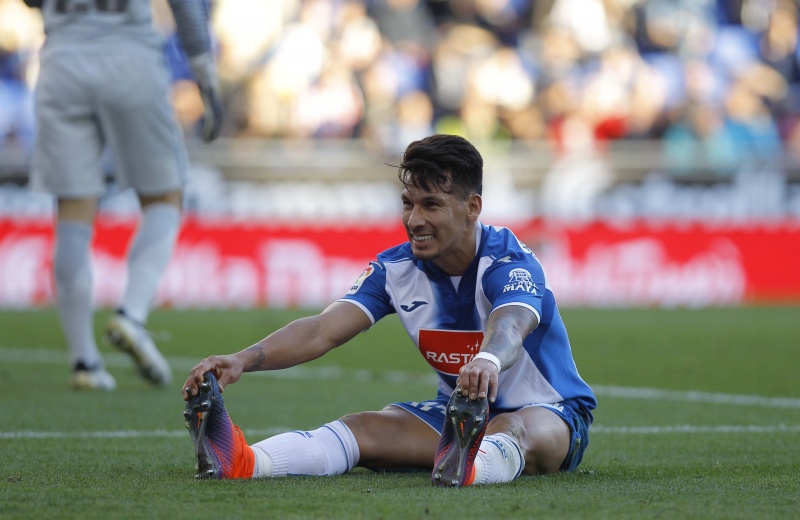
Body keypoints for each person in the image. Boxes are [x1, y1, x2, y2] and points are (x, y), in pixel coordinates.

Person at [182, 134, 596, 486]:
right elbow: (322, 330)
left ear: (472, 207)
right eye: (408, 204)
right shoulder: (395, 268)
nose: (414, 220)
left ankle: (472, 464)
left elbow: (512, 321)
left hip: (550, 414)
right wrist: (241, 359)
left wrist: (487, 359)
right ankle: (246, 462)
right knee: (363, 428)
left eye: (431, 205)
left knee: (511, 428)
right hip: (458, 415)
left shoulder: (509, 260)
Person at [24, 0, 223, 390]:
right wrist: (205, 74)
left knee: (72, 211)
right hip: (130, 57)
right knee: (165, 196)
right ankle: (131, 315)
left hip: (62, 61)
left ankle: (84, 360)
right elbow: (185, 6)